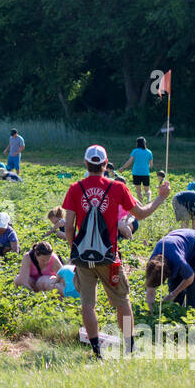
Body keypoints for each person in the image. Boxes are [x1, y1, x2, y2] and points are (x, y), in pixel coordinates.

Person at [61, 144, 170, 357]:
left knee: (88, 305)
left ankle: (96, 351)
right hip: (109, 256)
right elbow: (140, 214)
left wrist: (75, 249)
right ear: (105, 164)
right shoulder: (117, 188)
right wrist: (160, 197)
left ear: (86, 163)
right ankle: (130, 347)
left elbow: (68, 227)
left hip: (84, 258)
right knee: (122, 301)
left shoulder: (75, 188)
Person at [144, 229, 195, 309]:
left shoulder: (177, 260)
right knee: (174, 284)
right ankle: (178, 312)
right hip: (181, 245)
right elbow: (150, 292)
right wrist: (152, 311)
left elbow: (190, 277)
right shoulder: (152, 264)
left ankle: (194, 314)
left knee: (192, 286)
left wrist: (173, 295)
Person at [119, 137, 154, 203]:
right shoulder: (149, 152)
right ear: (145, 143)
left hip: (136, 173)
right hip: (145, 173)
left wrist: (123, 168)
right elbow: (151, 165)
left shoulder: (135, 151)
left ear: (137, 143)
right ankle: (149, 199)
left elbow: (129, 162)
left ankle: (140, 203)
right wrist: (146, 167)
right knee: (147, 189)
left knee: (138, 190)